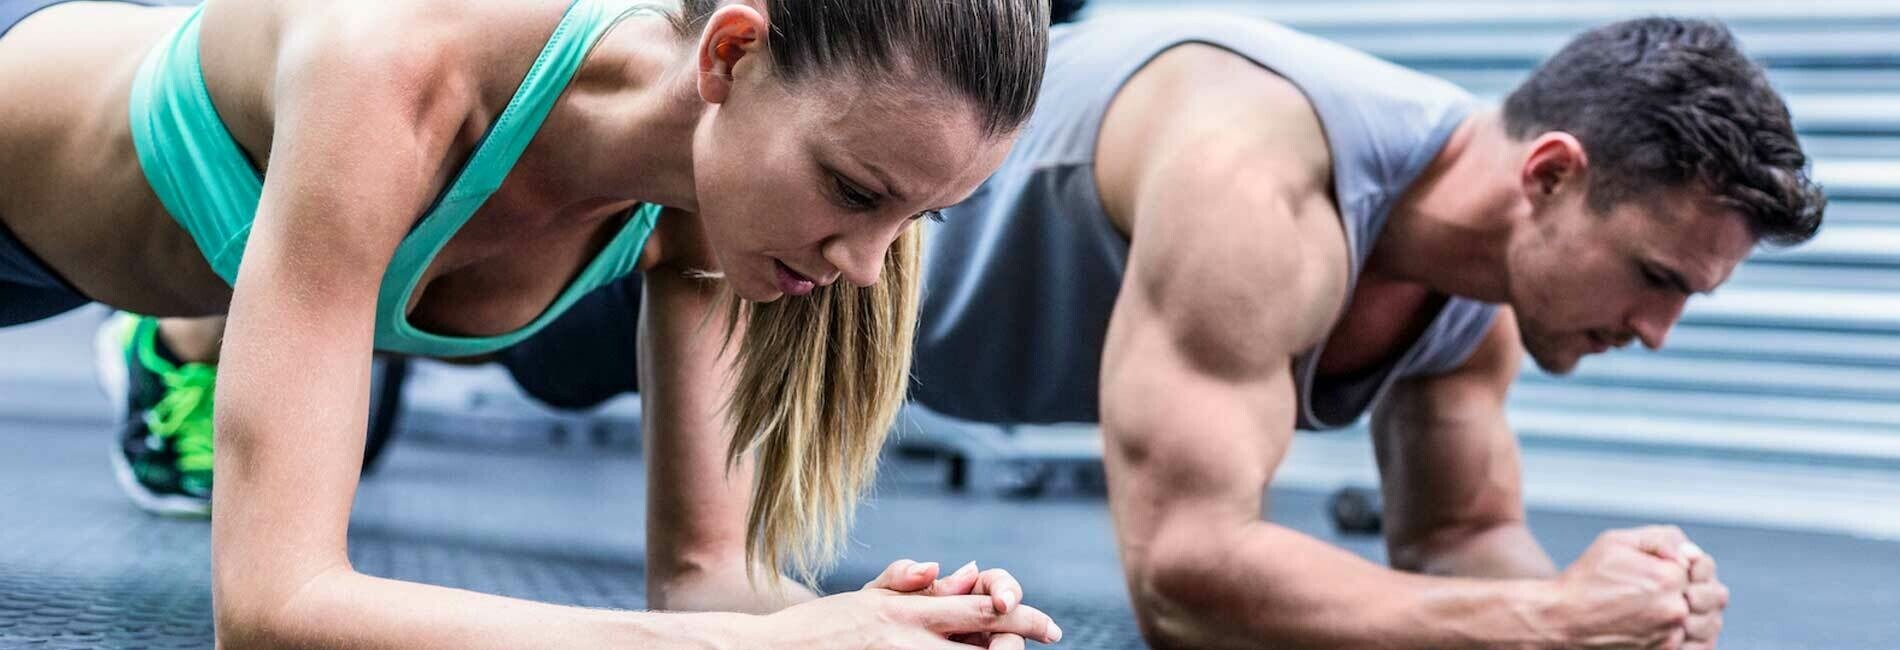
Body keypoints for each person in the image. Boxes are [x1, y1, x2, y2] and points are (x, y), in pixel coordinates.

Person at [469, 10, 1826, 650]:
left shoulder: (1479, 300)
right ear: (1550, 175)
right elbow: (1185, 576)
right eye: (1660, 277)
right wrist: (1543, 617)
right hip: (760, 255)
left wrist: (1612, 625)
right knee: (489, 312)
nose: (1656, 333)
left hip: (852, 321)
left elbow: (1460, 540)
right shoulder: (1261, 177)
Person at [0, 0, 1066, 646]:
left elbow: (706, 577)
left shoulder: (713, 211)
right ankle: (180, 347)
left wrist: (878, 626)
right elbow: (274, 610)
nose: (866, 267)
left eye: (919, 218)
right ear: (730, 56)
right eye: (852, 190)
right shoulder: (396, 63)